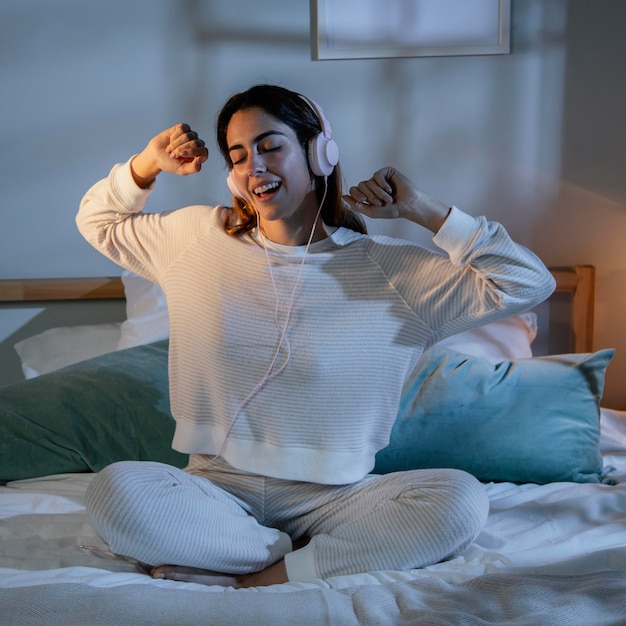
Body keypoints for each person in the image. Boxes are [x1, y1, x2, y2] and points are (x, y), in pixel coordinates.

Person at [77, 84, 555, 588]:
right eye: (237, 156)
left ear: (320, 154)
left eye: (269, 146)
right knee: (116, 492)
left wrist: (424, 209)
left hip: (336, 498)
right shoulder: (197, 239)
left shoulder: (392, 270)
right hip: (215, 489)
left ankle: (258, 575)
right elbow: (98, 221)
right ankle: (295, 556)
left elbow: (528, 282)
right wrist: (146, 166)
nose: (253, 167)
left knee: (460, 502)